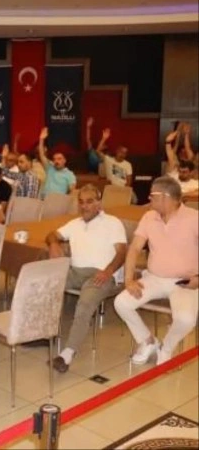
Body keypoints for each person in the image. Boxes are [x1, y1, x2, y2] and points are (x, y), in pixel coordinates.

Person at [114, 176, 198, 366]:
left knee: (186, 320)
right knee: (121, 303)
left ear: (166, 197)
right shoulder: (149, 217)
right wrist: (129, 280)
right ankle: (148, 341)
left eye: (153, 195)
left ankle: (166, 348)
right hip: (153, 278)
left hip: (185, 282)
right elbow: (134, 249)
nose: (149, 198)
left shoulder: (194, 218)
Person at [47, 185, 127, 373]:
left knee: (85, 303)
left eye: (89, 201)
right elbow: (52, 234)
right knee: (45, 285)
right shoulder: (74, 223)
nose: (84, 206)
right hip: (76, 272)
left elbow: (122, 252)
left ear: (99, 203)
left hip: (101, 274)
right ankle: (41, 334)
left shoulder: (112, 222)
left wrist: (108, 271)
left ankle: (67, 354)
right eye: (81, 202)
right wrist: (53, 243)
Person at [38, 127, 77, 196]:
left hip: (58, 200)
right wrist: (41, 139)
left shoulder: (69, 174)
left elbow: (72, 191)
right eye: (54, 159)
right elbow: (41, 154)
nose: (56, 161)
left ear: (65, 160)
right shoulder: (50, 167)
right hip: (43, 199)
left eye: (59, 159)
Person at [165, 129, 199, 198]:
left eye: (184, 172)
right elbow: (170, 156)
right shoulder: (173, 176)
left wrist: (184, 195)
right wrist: (168, 142)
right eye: (180, 171)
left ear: (191, 172)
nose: (181, 174)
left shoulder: (195, 184)